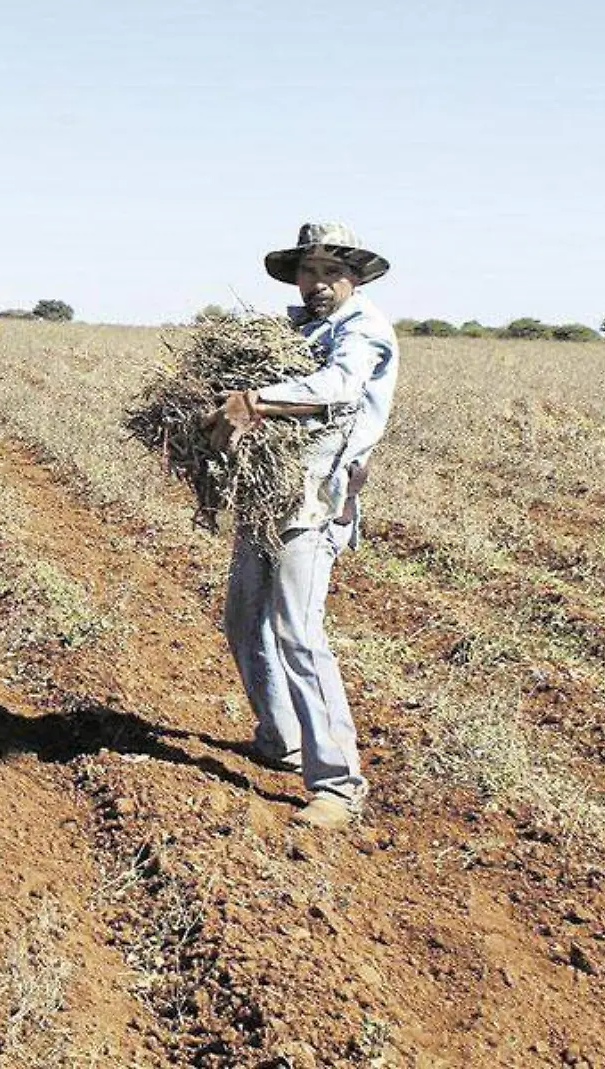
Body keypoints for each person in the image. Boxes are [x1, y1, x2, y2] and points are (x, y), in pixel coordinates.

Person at [201, 222, 399, 830]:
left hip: (312, 504)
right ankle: (279, 739)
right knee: (241, 617)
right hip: (268, 497)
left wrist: (254, 400)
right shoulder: (297, 331)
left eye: (330, 272)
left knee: (297, 634)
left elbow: (338, 387)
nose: (318, 282)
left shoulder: (362, 330)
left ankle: (338, 784)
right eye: (308, 271)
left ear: (354, 277)